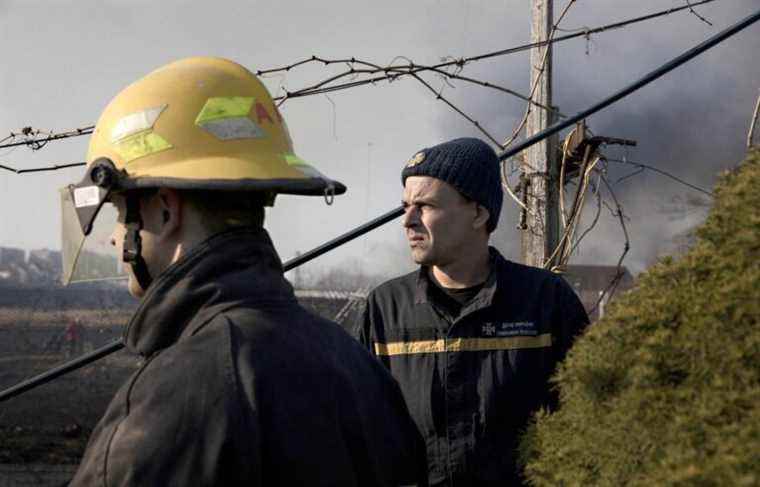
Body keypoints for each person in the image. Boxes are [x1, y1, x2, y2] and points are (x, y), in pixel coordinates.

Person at [62, 57, 427, 486]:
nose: (112, 237)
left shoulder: (172, 397)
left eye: (121, 211)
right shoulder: (358, 370)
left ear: (163, 209)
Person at [354, 137, 590, 486]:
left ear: (478, 213)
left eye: (426, 206)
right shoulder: (386, 310)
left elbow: (590, 419)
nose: (408, 220)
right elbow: (359, 436)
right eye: (405, 206)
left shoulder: (545, 301)